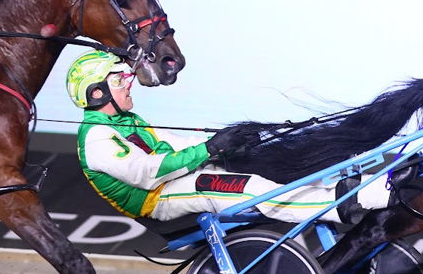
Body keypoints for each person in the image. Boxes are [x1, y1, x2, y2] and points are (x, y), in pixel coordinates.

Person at [66, 50, 344, 225]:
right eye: (118, 81)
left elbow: (174, 145)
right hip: (156, 200)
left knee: (271, 165)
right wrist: (209, 149)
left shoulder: (128, 121)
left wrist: (222, 144)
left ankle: (348, 193)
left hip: (172, 183)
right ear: (96, 93)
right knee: (246, 187)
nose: (129, 85)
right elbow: (146, 173)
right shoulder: (97, 138)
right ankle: (338, 209)